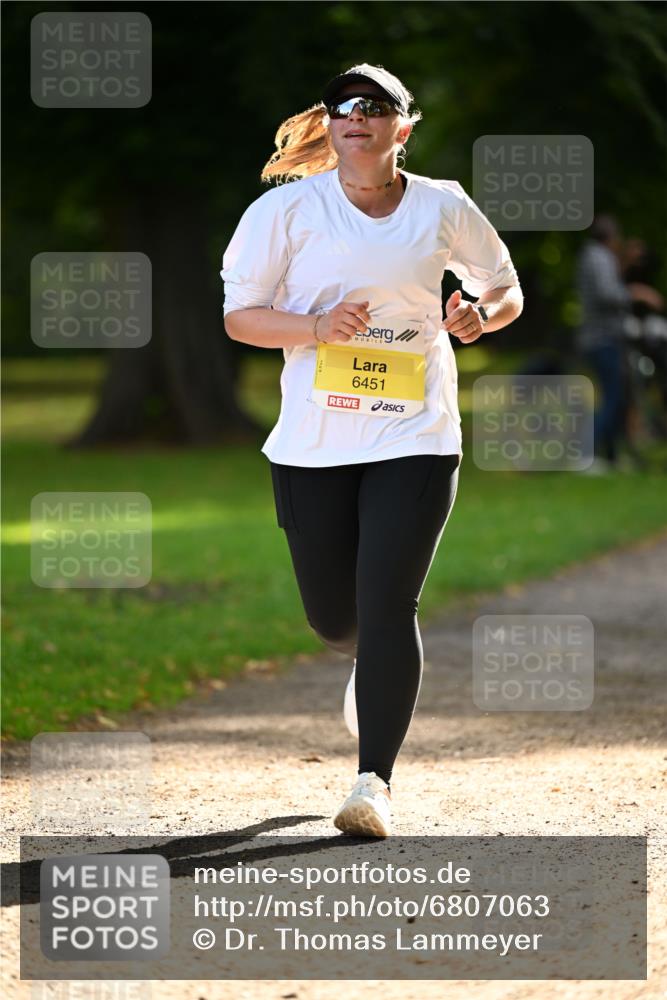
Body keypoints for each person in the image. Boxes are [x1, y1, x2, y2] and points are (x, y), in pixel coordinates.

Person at [220, 63, 523, 838]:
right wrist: (316, 329)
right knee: (335, 617)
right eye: (343, 106)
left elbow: (504, 288)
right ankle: (363, 659)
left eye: (374, 105)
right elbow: (242, 319)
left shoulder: (442, 206)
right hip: (315, 438)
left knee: (389, 601)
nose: (357, 116)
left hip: (414, 431)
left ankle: (372, 782)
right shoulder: (284, 212)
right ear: (330, 124)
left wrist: (480, 317)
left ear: (402, 126)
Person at [575, 215, 663, 470]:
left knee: (618, 398)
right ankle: (586, 455)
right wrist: (637, 293)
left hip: (600, 338)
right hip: (603, 339)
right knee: (613, 398)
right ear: (611, 237)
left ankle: (610, 457)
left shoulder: (592, 256)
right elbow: (607, 294)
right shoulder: (598, 257)